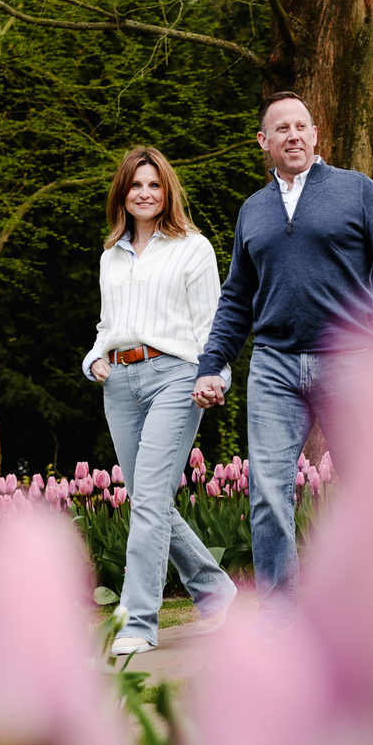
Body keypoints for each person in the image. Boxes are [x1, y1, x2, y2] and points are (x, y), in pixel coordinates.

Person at [192, 91, 373, 616]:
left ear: (315, 135)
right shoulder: (252, 211)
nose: (293, 135)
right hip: (274, 365)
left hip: (352, 359)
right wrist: (212, 365)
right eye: (281, 128)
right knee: (269, 494)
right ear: (264, 141)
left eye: (302, 126)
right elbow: (235, 299)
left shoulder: (356, 191)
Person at [84, 146, 237, 655]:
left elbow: (214, 324)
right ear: (122, 194)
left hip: (177, 376)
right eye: (135, 186)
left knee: (148, 499)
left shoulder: (192, 247)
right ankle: (217, 594)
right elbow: (109, 325)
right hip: (121, 384)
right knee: (149, 499)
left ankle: (137, 622)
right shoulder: (111, 254)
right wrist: (95, 359)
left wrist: (216, 376)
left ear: (167, 191)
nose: (145, 193)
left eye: (153, 185)